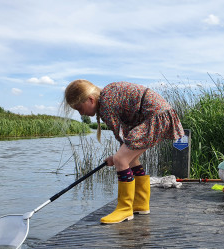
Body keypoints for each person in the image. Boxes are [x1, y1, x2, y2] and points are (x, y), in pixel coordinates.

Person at [63, 80, 184, 224]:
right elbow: (125, 137)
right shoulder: (108, 96)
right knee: (130, 160)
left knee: (121, 159)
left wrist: (116, 158)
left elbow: (121, 137)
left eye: (79, 108)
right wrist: (118, 156)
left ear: (90, 100)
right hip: (159, 114)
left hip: (156, 116)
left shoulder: (106, 104)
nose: (80, 113)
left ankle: (125, 209)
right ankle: (140, 204)